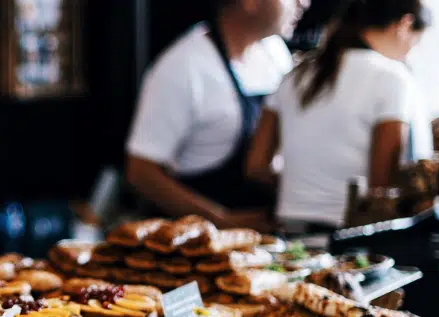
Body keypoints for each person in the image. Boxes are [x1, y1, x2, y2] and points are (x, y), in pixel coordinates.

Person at [247, 0, 432, 230]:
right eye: (417, 43)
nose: (411, 53)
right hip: (350, 234)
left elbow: (255, 166)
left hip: (290, 228)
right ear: (405, 25)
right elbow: (381, 187)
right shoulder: (392, 78)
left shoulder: (296, 74)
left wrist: (305, 188)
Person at [125, 0, 306, 229]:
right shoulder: (183, 67)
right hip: (197, 244)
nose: (304, 3)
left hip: (265, 239)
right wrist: (220, 220)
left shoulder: (275, 53)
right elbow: (141, 173)